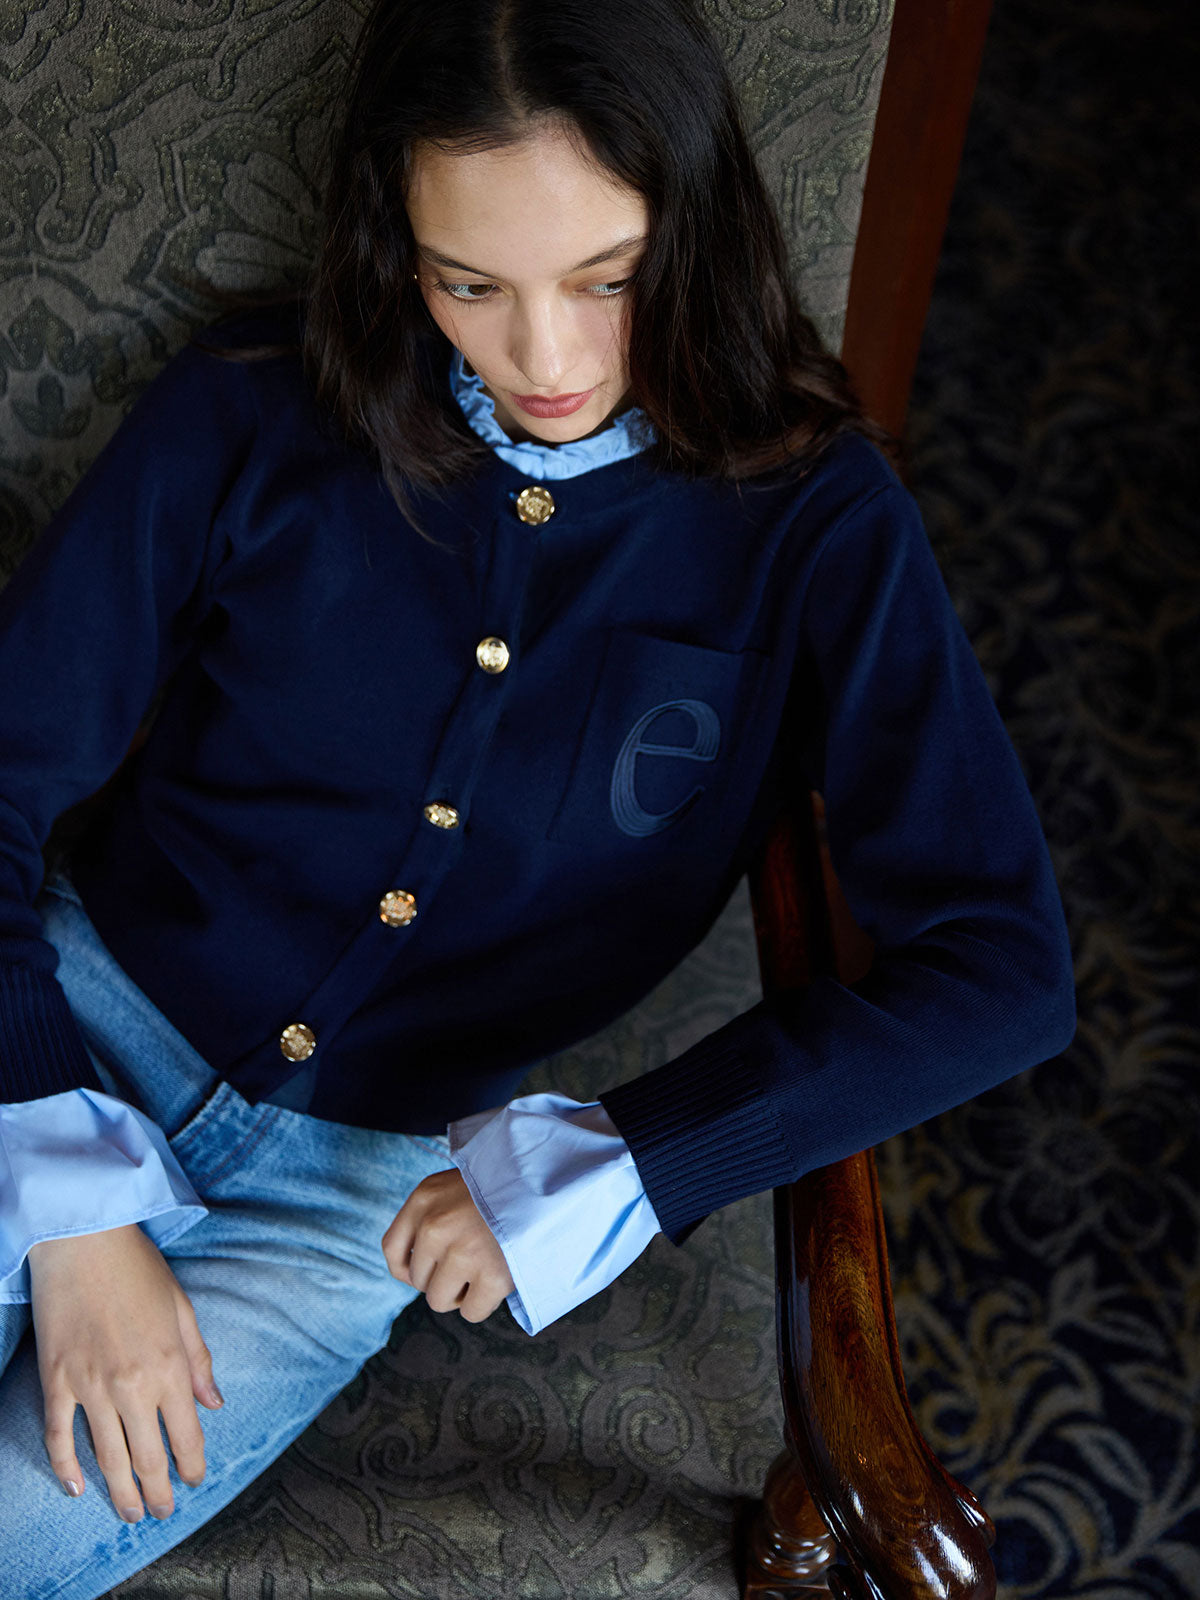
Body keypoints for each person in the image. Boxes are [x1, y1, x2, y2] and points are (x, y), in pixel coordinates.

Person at [0, 0, 1076, 1593]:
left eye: (608, 279)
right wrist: (65, 1205)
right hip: (59, 1019)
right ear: (397, 241)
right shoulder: (250, 405)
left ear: (693, 232)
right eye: (469, 285)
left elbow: (1006, 968)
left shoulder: (819, 525)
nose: (546, 359)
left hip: (352, 1199)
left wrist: (635, 1157)